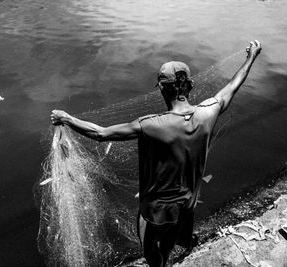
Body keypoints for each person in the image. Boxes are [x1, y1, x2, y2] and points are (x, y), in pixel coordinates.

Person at [50, 40, 262, 267]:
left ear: (162, 88)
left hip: (156, 211)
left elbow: (101, 133)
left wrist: (67, 118)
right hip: (186, 205)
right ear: (190, 86)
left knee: (150, 249)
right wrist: (251, 58)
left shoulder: (150, 125)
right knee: (168, 244)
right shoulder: (208, 112)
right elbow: (232, 86)